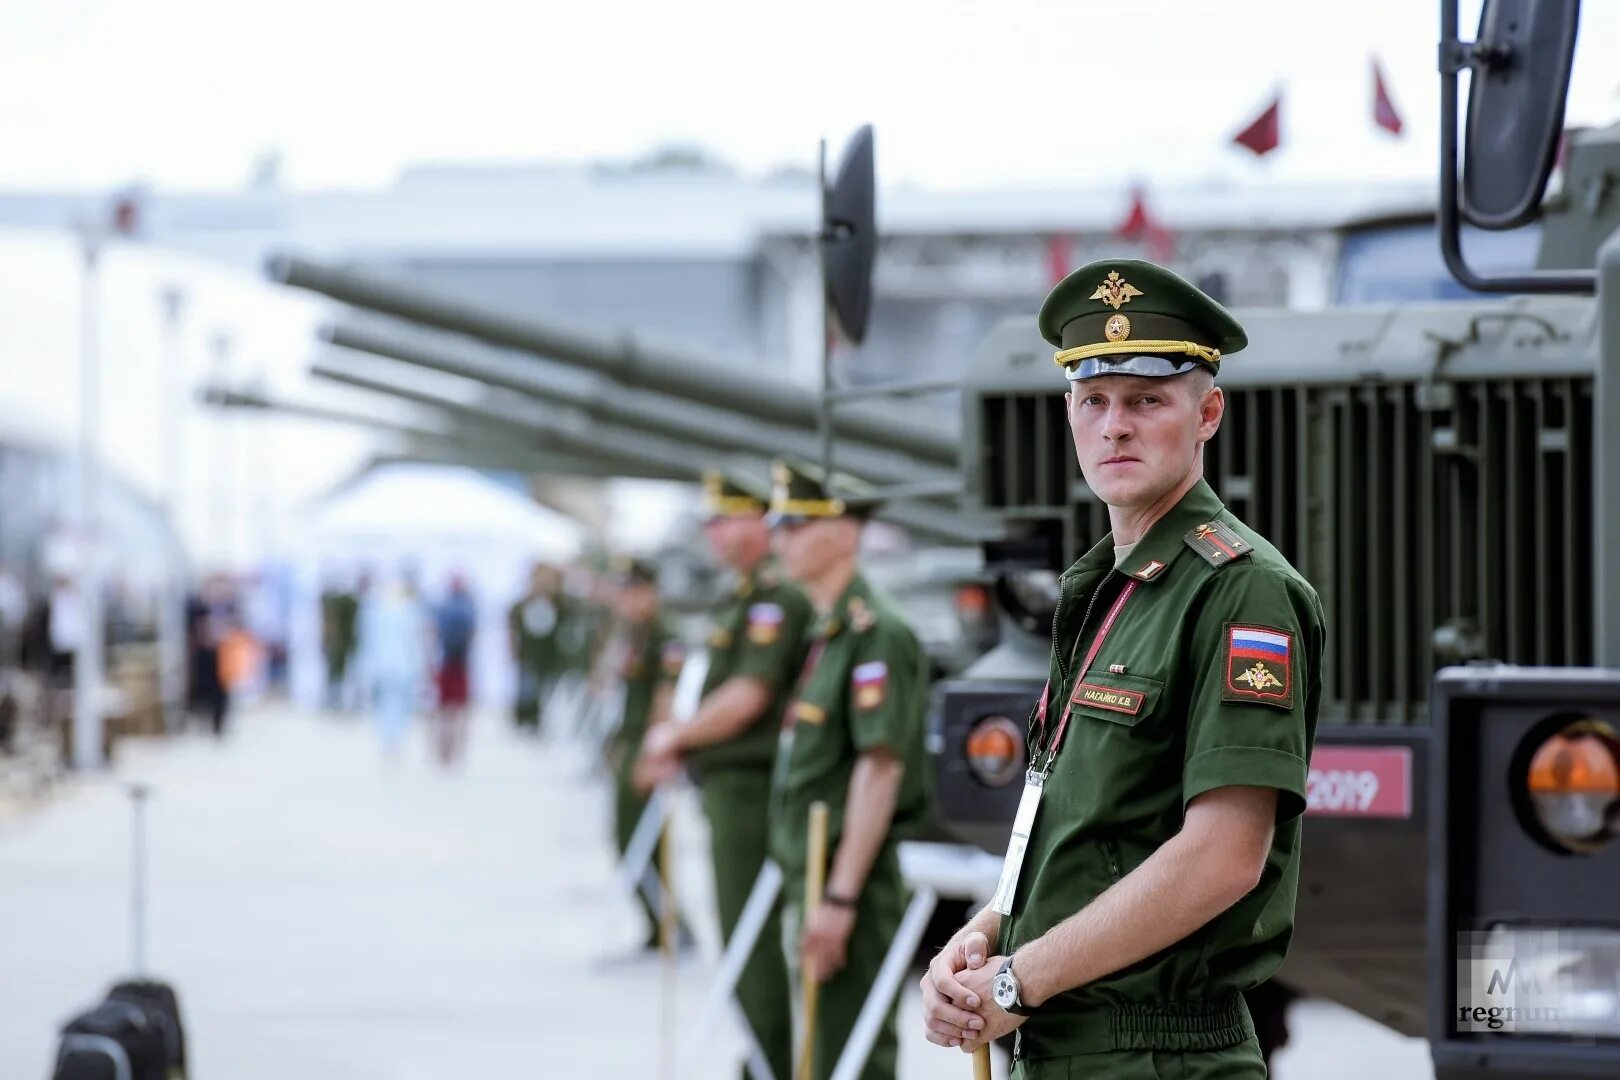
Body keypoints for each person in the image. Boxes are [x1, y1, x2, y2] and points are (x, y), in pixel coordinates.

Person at [919, 260, 1326, 1079]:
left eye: (1147, 400)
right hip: (1068, 1043)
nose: (1116, 427)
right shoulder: (1106, 589)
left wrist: (1018, 977)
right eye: (1094, 400)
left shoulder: (1240, 591)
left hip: (1162, 1053)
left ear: (1207, 412)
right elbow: (1091, 831)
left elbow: (1222, 856)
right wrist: (990, 931)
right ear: (1069, 413)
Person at [635, 472, 812, 1080]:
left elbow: (749, 695)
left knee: (750, 936)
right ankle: (764, 1054)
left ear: (759, 523)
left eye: (726, 517)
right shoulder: (740, 596)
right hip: (726, 787)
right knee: (740, 932)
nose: (713, 531)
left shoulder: (773, 599)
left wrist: (675, 737)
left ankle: (772, 1061)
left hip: (751, 788)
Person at [767, 459, 930, 1080]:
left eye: (796, 525)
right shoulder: (830, 628)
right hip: (814, 871)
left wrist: (839, 896)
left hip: (845, 879)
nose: (780, 539)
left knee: (852, 1051)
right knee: (823, 1044)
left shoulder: (876, 632)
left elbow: (880, 770)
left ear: (843, 532)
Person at [604, 557, 685, 949]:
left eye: (633, 592)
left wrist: (652, 755)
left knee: (640, 838)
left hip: (648, 744)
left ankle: (671, 925)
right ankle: (658, 926)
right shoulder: (635, 634)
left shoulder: (664, 635)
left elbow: (664, 697)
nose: (627, 601)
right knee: (625, 837)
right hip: (632, 738)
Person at [357, 574, 432, 762]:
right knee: (392, 706)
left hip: (395, 666)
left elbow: (415, 641)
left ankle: (391, 743)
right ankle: (391, 742)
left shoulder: (383, 610)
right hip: (393, 666)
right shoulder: (387, 610)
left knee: (394, 706)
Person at [508, 564, 565, 736]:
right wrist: (512, 648)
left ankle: (536, 720)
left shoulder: (556, 602)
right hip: (527, 654)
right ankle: (522, 718)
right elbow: (513, 625)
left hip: (547, 654)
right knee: (526, 687)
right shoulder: (523, 604)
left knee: (542, 688)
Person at [433, 574, 478, 767]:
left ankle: (444, 750)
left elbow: (435, 632)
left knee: (444, 711)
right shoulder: (468, 608)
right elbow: (472, 634)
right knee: (460, 710)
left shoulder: (443, 607)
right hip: (461, 664)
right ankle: (459, 750)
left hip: (446, 663)